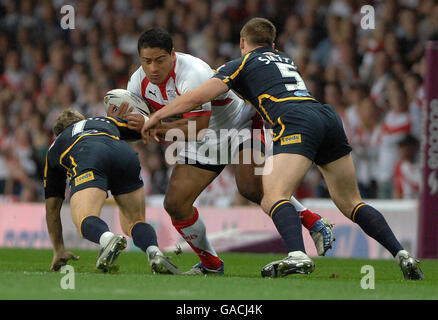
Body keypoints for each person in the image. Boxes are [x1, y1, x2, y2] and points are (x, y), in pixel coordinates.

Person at [140, 18, 424, 280]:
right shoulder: (284, 58)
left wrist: (157, 116)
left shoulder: (241, 63)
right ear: (273, 44)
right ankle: (403, 255)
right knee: (352, 202)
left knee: (273, 196)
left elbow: (198, 97)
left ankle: (298, 255)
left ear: (242, 42)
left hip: (294, 121)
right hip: (325, 115)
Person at [109, 28, 334, 275]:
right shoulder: (137, 82)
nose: (152, 68)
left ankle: (314, 222)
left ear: (173, 55)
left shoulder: (193, 72)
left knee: (250, 187)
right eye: (146, 61)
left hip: (238, 125)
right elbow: (145, 123)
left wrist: (156, 126)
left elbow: (198, 128)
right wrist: (130, 127)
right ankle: (211, 265)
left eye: (159, 60)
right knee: (175, 203)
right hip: (204, 141)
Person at [44, 109, 180, 275]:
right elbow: (143, 126)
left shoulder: (55, 147)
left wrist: (59, 249)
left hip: (88, 155)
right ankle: (155, 253)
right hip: (124, 153)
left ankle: (107, 239)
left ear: (58, 133)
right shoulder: (103, 121)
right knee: (135, 221)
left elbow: (52, 209)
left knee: (85, 218)